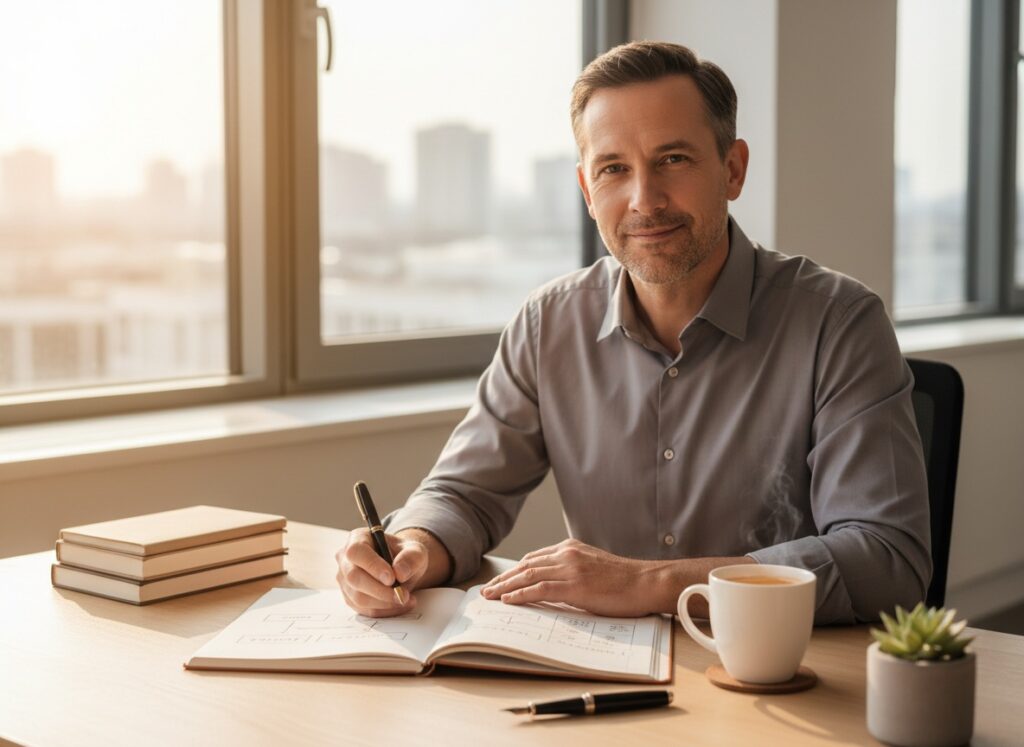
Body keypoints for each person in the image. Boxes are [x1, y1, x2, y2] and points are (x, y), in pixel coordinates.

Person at [335, 41, 931, 625]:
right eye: (614, 169)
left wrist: (652, 583)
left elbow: (887, 558)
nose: (645, 199)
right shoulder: (548, 324)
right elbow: (462, 496)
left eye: (673, 159)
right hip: (605, 681)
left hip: (782, 676)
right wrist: (413, 545)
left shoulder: (840, 322)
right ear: (588, 192)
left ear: (733, 168)